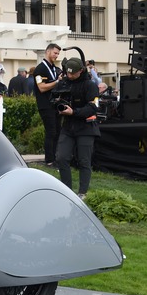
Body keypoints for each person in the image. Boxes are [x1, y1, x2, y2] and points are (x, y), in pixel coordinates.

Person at [54, 57, 100, 199]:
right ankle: (66, 191)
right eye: (68, 73)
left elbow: (93, 107)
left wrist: (74, 112)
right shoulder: (64, 82)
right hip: (68, 127)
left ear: (81, 71)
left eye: (73, 74)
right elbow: (54, 99)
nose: (70, 76)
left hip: (85, 127)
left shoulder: (90, 85)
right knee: (61, 157)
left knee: (84, 160)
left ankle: (82, 193)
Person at [34, 43, 63, 166]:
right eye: (55, 53)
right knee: (51, 132)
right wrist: (57, 82)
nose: (56, 56)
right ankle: (49, 160)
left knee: (57, 131)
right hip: (45, 105)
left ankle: (55, 158)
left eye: (58, 54)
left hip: (55, 105)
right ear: (48, 52)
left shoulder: (54, 68)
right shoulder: (40, 69)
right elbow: (41, 88)